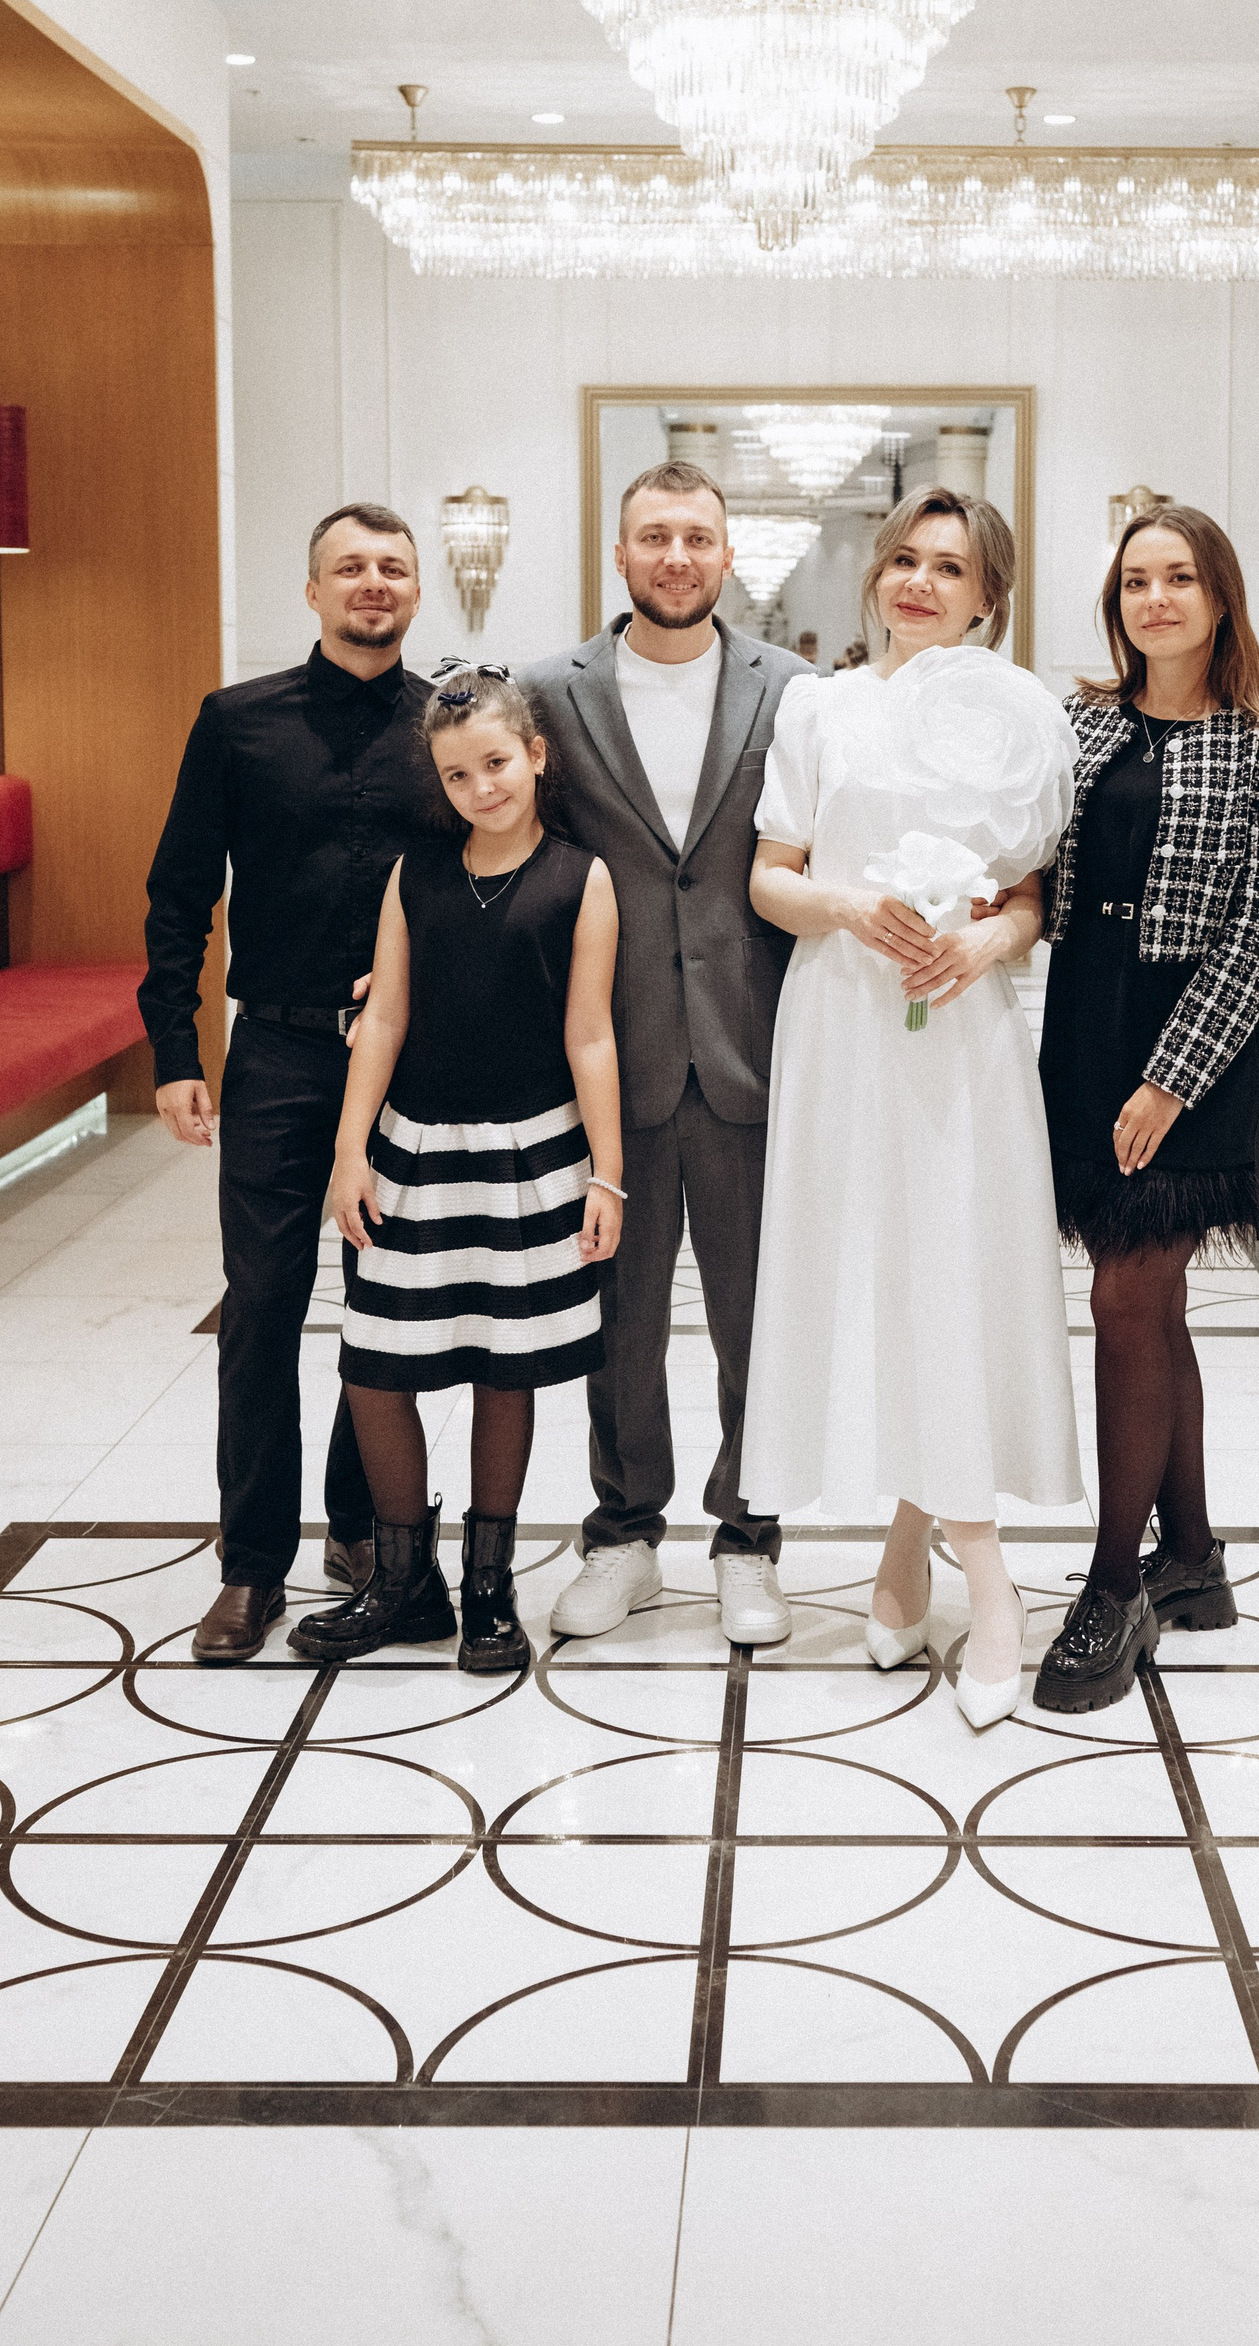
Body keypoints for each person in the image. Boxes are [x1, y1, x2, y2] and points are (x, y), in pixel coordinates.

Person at [741, 486, 1080, 1732]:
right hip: (840, 1017)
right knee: (876, 1275)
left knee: (951, 1273)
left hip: (959, 1030)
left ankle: (983, 1578)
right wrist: (846, 906)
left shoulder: (1017, 710)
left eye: (949, 566)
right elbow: (771, 875)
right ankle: (904, 1539)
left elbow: (1028, 895)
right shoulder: (818, 706)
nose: (919, 582)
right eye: (903, 559)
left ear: (988, 596)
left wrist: (989, 941)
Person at [520, 462, 811, 1647]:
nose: (676, 557)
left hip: (754, 1046)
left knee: (756, 1317)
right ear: (621, 552)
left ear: (728, 554)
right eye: (654, 536)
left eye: (697, 537)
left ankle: (748, 1538)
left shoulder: (792, 689)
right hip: (609, 1053)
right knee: (618, 1320)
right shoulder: (550, 692)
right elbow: (503, 840)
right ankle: (625, 1532)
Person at [1030, 504, 1259, 1714]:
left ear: (1220, 596)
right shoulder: (1083, 720)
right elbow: (1036, 865)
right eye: (1136, 580)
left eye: (1179, 576)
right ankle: (1190, 1556)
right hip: (1086, 1026)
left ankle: (1114, 1583)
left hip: (1195, 1043)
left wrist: (1171, 1077)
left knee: (1124, 1297)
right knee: (1152, 1304)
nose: (1155, 598)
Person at [290, 662, 622, 1672]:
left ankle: (488, 1587)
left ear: (536, 755)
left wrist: (607, 1174)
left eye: (497, 762)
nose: (482, 786)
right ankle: (405, 1583)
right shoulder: (416, 874)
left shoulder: (582, 878)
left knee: (502, 1367)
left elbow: (591, 1035)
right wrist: (350, 1151)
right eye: (458, 774)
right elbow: (384, 1017)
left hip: (531, 1155)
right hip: (415, 1150)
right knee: (373, 1364)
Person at [141, 504, 428, 1663]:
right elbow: (178, 892)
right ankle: (252, 1563)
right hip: (277, 1053)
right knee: (260, 1310)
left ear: (417, 591)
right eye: (350, 566)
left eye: (392, 566)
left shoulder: (448, 728)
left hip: (408, 1063)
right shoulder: (236, 721)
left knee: (386, 1307)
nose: (373, 582)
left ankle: (360, 1527)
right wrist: (174, 1049)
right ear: (312, 590)